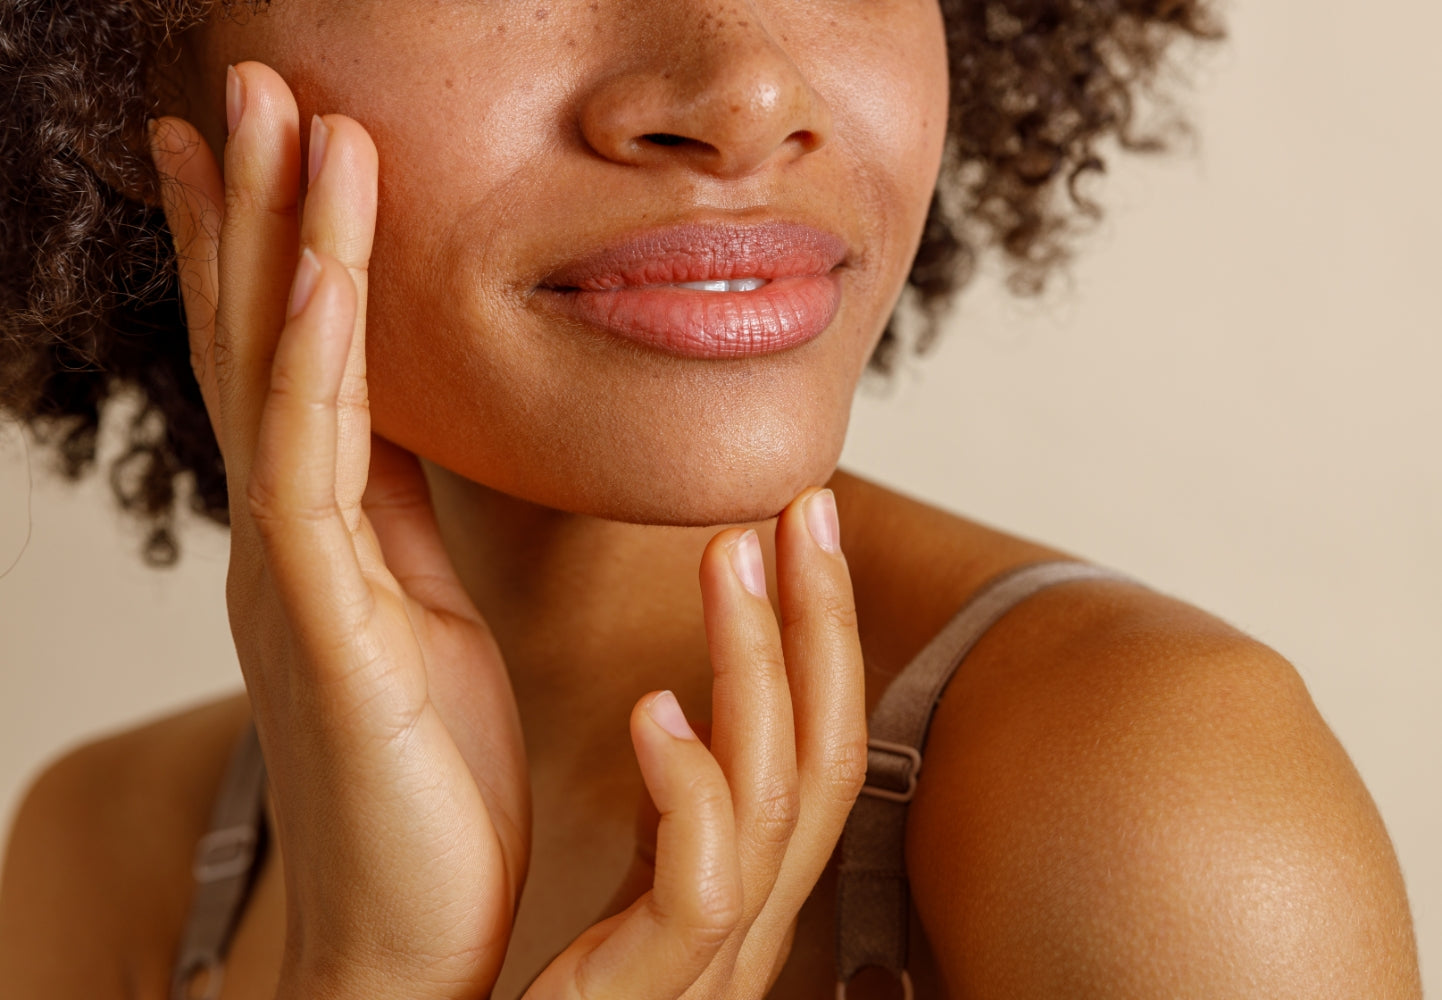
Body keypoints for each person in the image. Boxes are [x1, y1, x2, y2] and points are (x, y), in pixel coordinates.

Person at [0, 0, 1423, 997]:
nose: (744, 93)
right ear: (123, 67)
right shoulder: (117, 849)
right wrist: (368, 979)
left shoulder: (1145, 796)